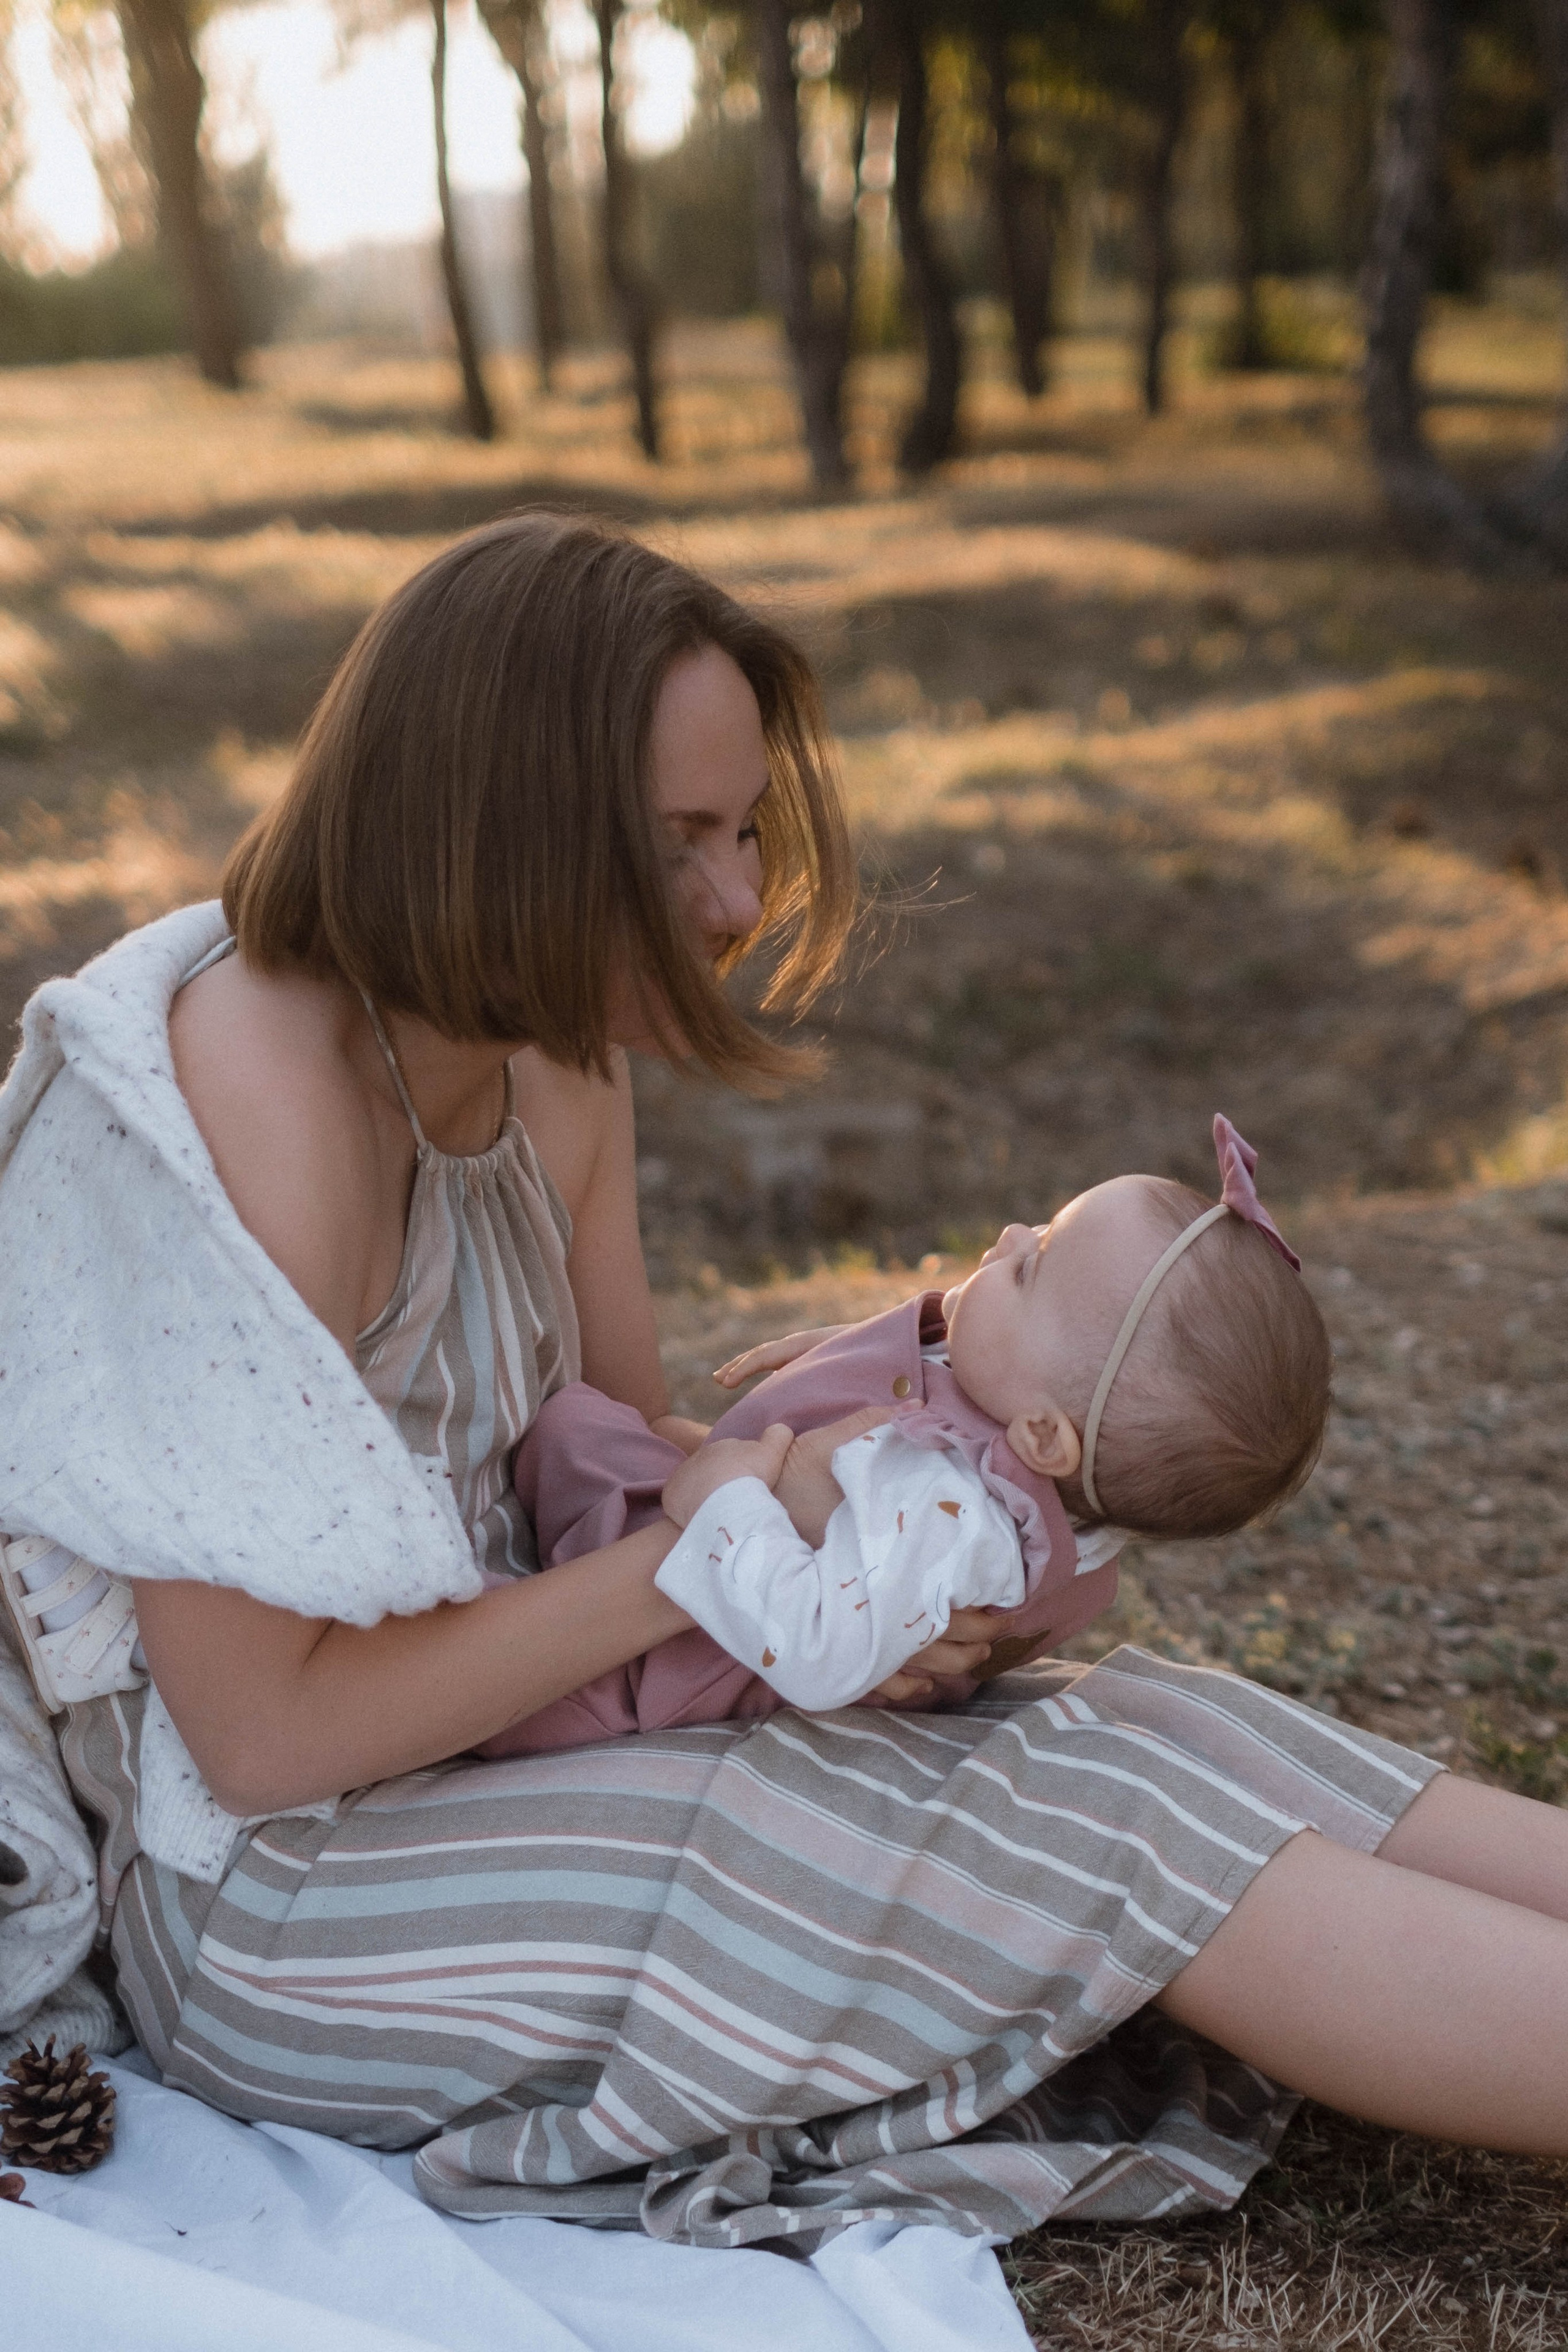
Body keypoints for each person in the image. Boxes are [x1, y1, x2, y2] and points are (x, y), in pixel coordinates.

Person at [6, 513, 1568, 2256]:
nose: (742, 901)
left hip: (521, 1751)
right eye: (678, 840)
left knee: (1145, 1725)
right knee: (1093, 1828)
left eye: (743, 827)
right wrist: (710, 1552)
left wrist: (847, 1575)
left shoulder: (554, 1066)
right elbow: (265, 1741)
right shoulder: (258, 1108)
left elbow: (611, 1465)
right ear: (497, 818)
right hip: (288, 1909)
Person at [479, 1121, 1330, 1746]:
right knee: (589, 1428)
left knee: (571, 1429)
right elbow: (955, 1377)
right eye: (1040, 1229)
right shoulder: (1030, 1440)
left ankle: (487, 1615)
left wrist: (724, 1500)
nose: (1010, 1237)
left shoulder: (945, 1506)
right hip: (699, 1591)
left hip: (660, 1662)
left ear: (1043, 1435)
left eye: (1031, 1266)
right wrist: (845, 1357)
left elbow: (819, 1649)